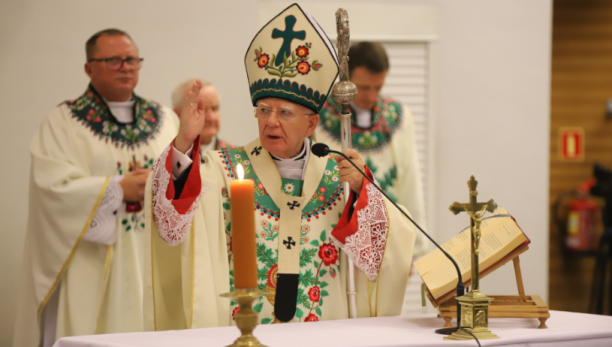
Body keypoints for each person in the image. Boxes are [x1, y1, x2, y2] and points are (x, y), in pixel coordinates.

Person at [143, 4, 415, 330]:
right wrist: (184, 143)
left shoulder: (339, 176)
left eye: (284, 112)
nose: (270, 122)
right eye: (263, 110)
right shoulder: (224, 169)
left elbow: (377, 258)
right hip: (244, 331)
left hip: (322, 332)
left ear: (312, 123)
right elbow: (171, 223)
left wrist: (362, 190)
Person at [13, 28, 179, 347]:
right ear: (89, 68)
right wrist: (116, 188)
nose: (126, 67)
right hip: (93, 265)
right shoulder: (63, 122)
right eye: (113, 60)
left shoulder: (165, 119)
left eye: (131, 59)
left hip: (152, 261)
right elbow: (52, 189)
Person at [315, 41, 428, 260]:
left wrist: (412, 249)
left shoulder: (400, 117)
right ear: (345, 80)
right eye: (364, 88)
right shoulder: (317, 117)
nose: (371, 95)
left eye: (378, 87)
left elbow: (409, 180)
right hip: (332, 239)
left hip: (386, 238)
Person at [171, 79, 231, 156]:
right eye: (201, 110)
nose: (211, 118)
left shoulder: (235, 156)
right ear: (178, 115)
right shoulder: (167, 158)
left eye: (214, 108)